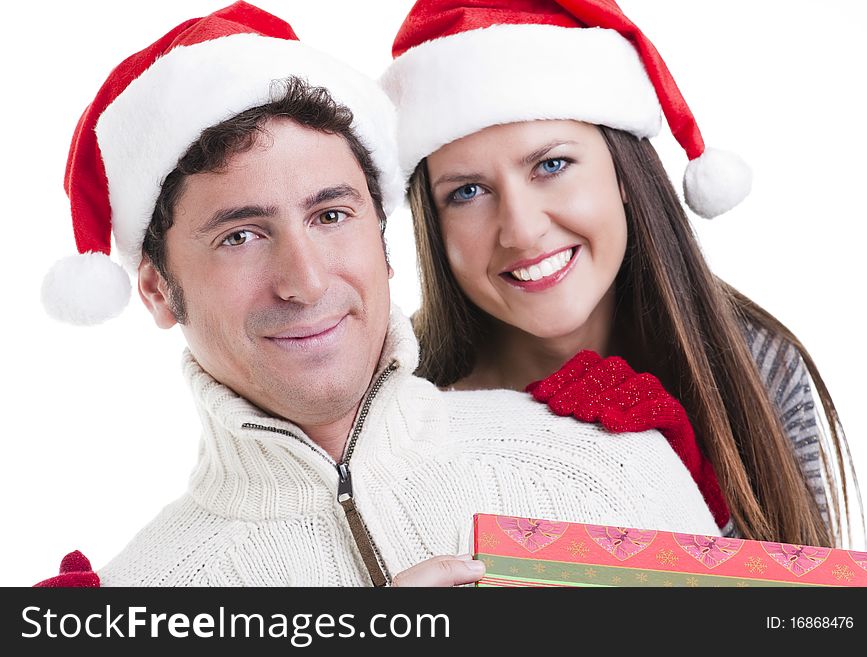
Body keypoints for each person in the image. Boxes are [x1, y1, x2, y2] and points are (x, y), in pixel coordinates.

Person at [36, 2, 718, 587]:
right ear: (156, 290)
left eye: (331, 216)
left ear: (384, 247)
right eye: (240, 235)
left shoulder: (607, 465)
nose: (305, 280)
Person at [381, 0, 859, 547]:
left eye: (551, 165)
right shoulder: (398, 408)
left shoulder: (756, 366)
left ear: (625, 174)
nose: (521, 230)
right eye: (467, 192)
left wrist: (681, 491)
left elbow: (809, 621)